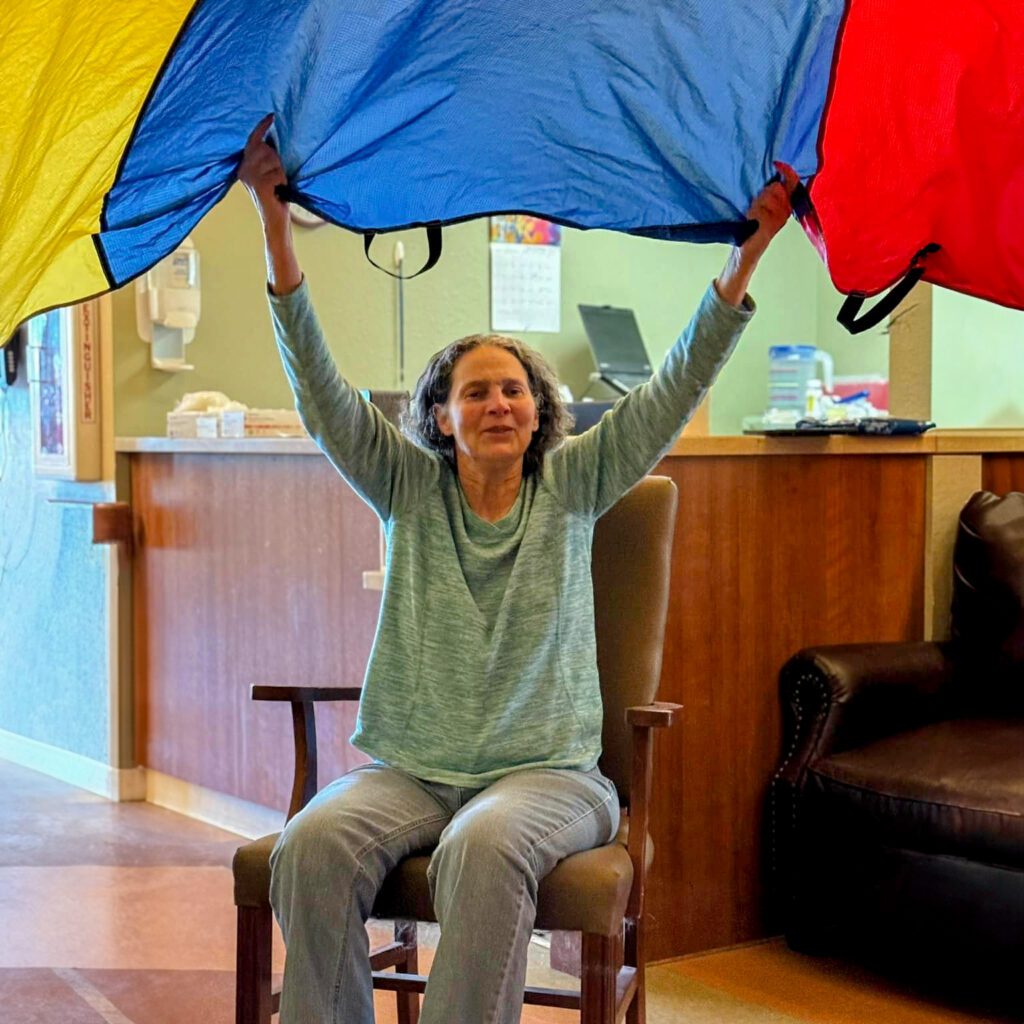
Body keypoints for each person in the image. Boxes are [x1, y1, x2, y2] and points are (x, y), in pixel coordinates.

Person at [238, 113, 792, 1024]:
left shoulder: (576, 484)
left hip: (550, 778)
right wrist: (270, 216)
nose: (499, 402)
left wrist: (747, 258)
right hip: (411, 769)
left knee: (484, 846)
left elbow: (675, 385)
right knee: (312, 845)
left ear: (540, 413)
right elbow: (320, 390)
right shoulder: (406, 489)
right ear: (442, 418)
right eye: (476, 392)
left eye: (515, 389)